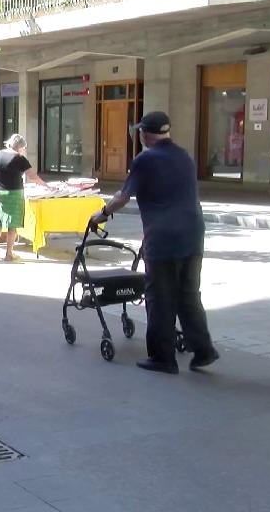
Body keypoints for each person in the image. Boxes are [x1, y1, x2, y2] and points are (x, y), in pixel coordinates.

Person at [92, 111, 219, 375]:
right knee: (188, 295)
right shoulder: (185, 157)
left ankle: (163, 358)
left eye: (139, 132)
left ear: (145, 134)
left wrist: (102, 214)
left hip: (163, 239)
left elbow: (123, 197)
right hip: (193, 235)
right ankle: (203, 349)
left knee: (160, 298)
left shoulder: (145, 159)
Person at [0, 134, 47, 261]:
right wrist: (46, 185)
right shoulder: (19, 158)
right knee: (12, 225)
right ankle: (8, 254)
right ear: (20, 147)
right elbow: (32, 176)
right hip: (13, 194)